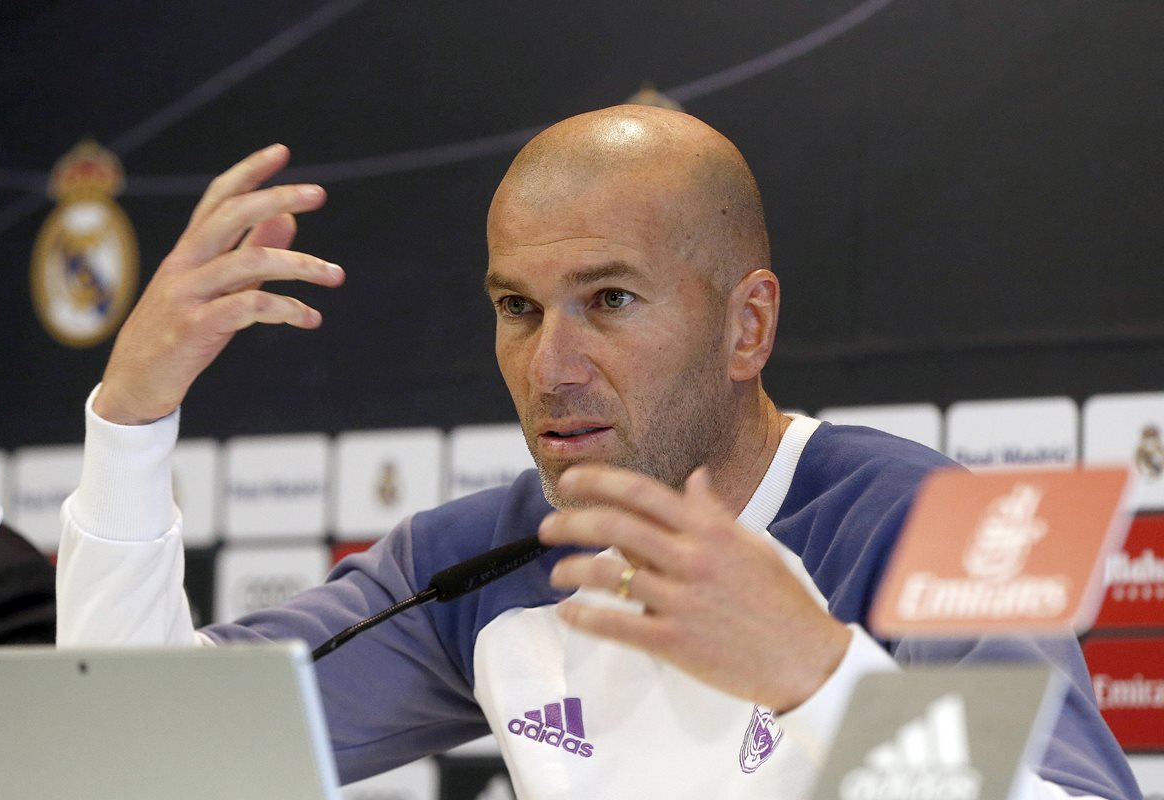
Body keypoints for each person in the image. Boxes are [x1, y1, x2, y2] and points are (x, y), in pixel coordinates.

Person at [57, 106, 1139, 799]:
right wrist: (132, 413)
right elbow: (131, 765)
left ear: (746, 325)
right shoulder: (474, 563)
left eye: (610, 300)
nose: (552, 365)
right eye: (517, 307)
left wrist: (818, 674)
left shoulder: (920, 522)